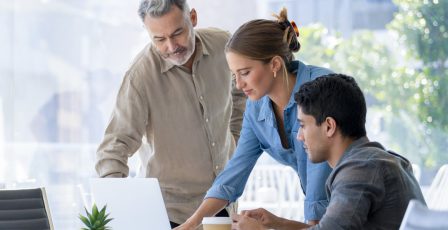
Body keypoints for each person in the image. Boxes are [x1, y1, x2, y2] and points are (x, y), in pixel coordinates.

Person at [176, 8, 333, 229]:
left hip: (358, 204)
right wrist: (188, 225)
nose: (238, 85)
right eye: (234, 75)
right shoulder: (257, 107)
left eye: (245, 72)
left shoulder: (321, 89)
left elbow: (318, 184)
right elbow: (233, 175)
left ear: (275, 64)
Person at [95, 0, 246, 227]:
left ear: (192, 18)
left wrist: (234, 138)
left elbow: (240, 93)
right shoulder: (140, 77)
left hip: (224, 205)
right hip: (169, 215)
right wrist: (119, 213)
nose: (171, 46)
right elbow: (114, 149)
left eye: (178, 33)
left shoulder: (223, 45)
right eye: (159, 39)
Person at [232, 74, 426, 230]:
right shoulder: (375, 160)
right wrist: (277, 224)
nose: (299, 136)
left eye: (303, 125)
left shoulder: (361, 169)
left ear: (329, 126)